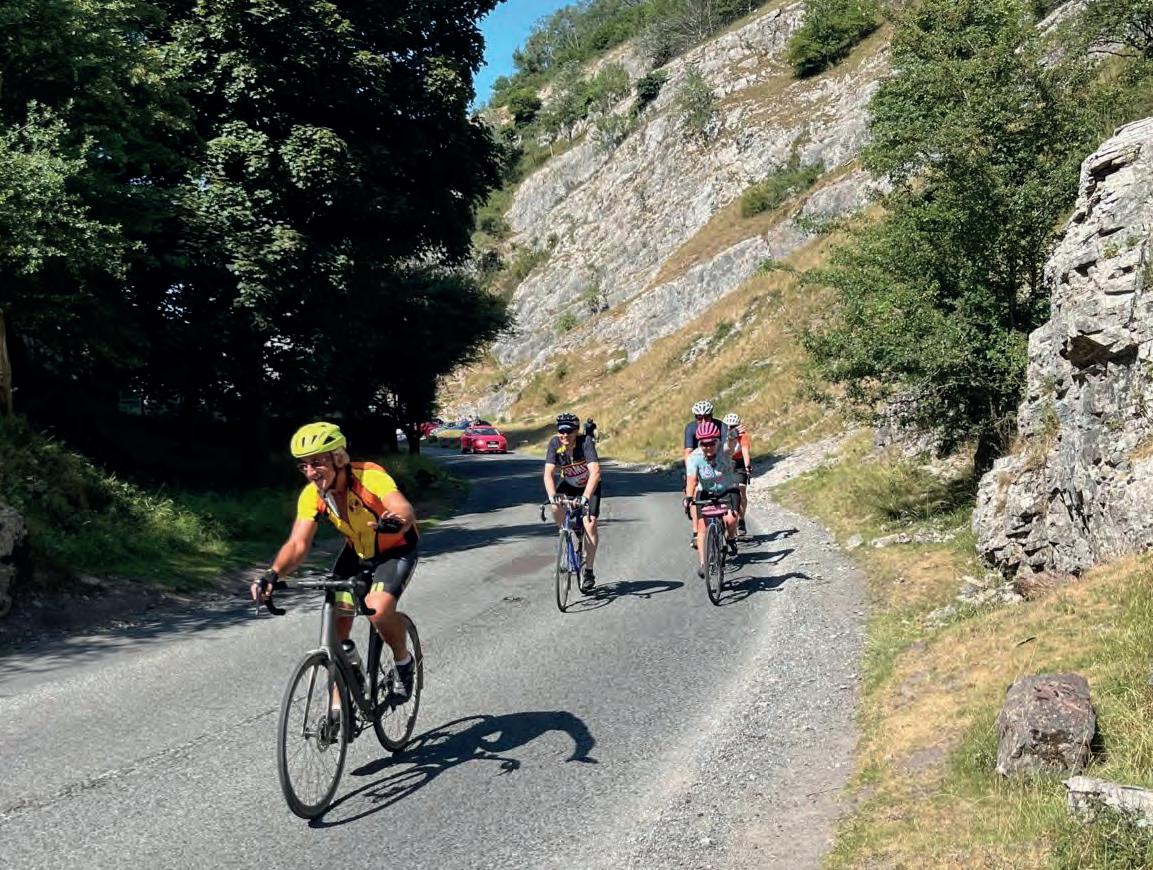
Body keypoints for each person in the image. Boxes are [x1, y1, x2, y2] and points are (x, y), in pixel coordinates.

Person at [252, 421, 419, 702]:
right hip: (357, 554)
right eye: (304, 465)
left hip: (395, 549)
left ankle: (404, 663)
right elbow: (298, 543)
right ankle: (342, 699)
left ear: (339, 458)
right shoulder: (313, 495)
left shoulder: (369, 477)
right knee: (337, 624)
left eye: (317, 462)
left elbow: (402, 506)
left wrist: (397, 520)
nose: (310, 472)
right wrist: (273, 573)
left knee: (377, 610)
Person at [543, 411, 603, 593]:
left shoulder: (585, 442)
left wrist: (585, 498)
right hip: (569, 484)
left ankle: (589, 572)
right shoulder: (555, 443)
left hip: (589, 487)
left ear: (576, 431)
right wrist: (552, 495)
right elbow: (548, 474)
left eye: (569, 431)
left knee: (590, 525)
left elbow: (595, 473)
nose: (564, 435)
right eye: (561, 431)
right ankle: (565, 533)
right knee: (555, 504)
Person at [683, 420, 740, 577]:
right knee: (702, 527)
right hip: (706, 491)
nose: (708, 447)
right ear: (699, 443)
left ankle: (730, 538)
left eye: (711, 443)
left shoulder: (723, 450)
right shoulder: (694, 457)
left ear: (717, 441)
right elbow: (691, 480)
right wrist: (689, 497)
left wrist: (732, 437)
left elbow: (730, 446)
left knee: (731, 520)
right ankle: (704, 564)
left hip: (728, 489)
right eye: (704, 444)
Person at [682, 400, 729, 547]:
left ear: (712, 415)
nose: (703, 421)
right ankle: (696, 532)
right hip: (698, 464)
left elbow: (727, 449)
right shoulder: (691, 428)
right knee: (694, 493)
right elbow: (688, 452)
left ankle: (731, 525)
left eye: (707, 417)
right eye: (699, 418)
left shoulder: (721, 426)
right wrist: (692, 473)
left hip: (719, 463)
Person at [723, 412, 752, 536]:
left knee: (741, 491)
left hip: (739, 463)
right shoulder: (721, 435)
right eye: (728, 426)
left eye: (733, 426)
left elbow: (745, 451)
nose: (730, 428)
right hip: (726, 463)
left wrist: (747, 466)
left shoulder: (743, 436)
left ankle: (741, 520)